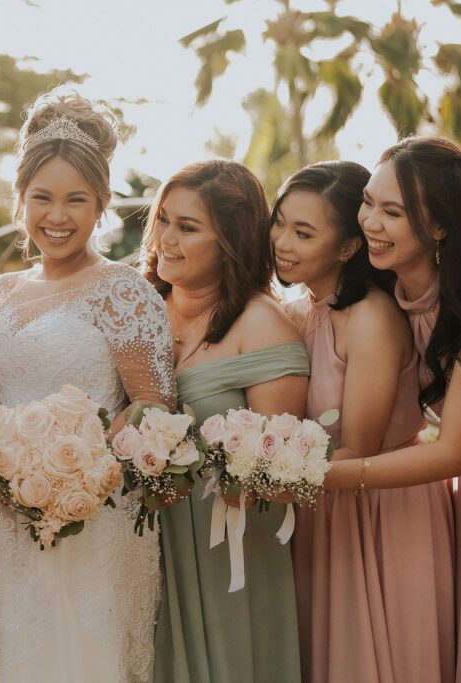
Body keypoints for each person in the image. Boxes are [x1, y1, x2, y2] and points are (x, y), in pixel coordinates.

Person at [0, 88, 175, 683]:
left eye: (76, 200)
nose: (57, 217)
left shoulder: (124, 292)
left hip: (96, 519)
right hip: (4, 520)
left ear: (103, 203)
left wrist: (83, 469)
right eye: (42, 198)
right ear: (20, 199)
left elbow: (156, 415)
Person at [324, 137, 461, 682]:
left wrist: (319, 475)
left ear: (441, 227)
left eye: (392, 212)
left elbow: (452, 455)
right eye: (368, 202)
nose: (370, 221)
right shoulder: (389, 292)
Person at [271, 161, 455, 682]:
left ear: (348, 247)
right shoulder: (299, 309)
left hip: (378, 511)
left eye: (303, 232)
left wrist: (266, 475)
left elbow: (360, 447)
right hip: (320, 507)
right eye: (280, 222)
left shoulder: (371, 319)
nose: (282, 242)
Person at [144, 160, 308, 683]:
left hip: (224, 548)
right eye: (164, 219)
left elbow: (278, 473)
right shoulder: (141, 307)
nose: (166, 238)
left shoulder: (262, 326)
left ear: (231, 242)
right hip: (142, 543)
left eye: (188, 228)